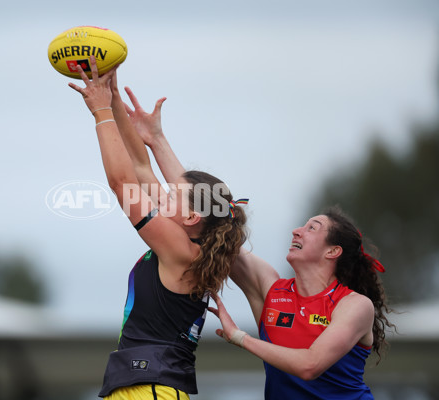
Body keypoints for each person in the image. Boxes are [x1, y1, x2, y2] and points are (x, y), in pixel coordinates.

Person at [129, 92, 395, 399]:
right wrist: (156, 138)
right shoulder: (273, 291)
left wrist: (240, 337)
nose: (298, 230)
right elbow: (209, 211)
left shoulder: (354, 305)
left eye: (312, 228)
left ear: (332, 251)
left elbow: (311, 365)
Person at [68, 57, 249, 400]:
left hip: (149, 389)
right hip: (148, 388)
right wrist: (113, 96)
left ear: (193, 216)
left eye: (174, 193)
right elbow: (139, 167)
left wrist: (101, 114)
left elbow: (123, 184)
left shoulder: (181, 250)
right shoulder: (185, 242)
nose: (164, 193)